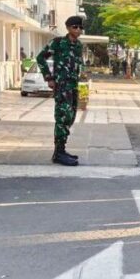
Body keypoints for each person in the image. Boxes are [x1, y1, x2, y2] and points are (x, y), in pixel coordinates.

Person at [37, 15, 85, 166]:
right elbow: (40, 58)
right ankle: (58, 153)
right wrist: (49, 77)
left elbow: (78, 64)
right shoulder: (58, 43)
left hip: (73, 86)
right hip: (62, 86)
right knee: (62, 118)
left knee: (70, 118)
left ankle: (61, 150)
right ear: (68, 28)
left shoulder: (78, 45)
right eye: (75, 27)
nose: (78, 30)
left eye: (80, 27)